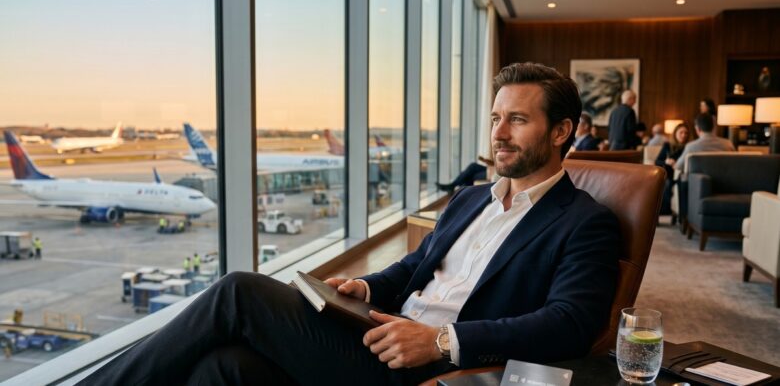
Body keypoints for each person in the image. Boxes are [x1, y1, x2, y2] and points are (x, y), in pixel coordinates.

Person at [80, 62, 620, 386]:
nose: (499, 133)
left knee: (239, 293)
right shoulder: (471, 198)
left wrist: (440, 341)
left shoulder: (583, 222)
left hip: (426, 371)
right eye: (496, 117)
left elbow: (570, 322)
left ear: (560, 132)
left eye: (518, 120)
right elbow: (418, 269)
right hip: (377, 337)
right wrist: (364, 285)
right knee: (223, 369)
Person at [655, 123, 691, 215]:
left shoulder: (689, 146)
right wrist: (666, 161)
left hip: (682, 174)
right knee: (666, 183)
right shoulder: (667, 145)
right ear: (675, 133)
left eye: (686, 133)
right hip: (670, 174)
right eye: (681, 132)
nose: (684, 135)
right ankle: (664, 210)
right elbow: (657, 161)